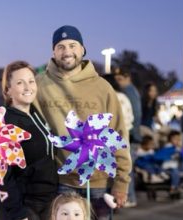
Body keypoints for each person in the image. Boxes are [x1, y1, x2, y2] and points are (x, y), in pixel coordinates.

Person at [34, 25, 131, 219]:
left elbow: (118, 134)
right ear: (53, 51)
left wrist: (122, 181)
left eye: (72, 45)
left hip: (98, 181)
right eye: (60, 46)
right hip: (59, 181)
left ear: (82, 49)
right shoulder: (39, 84)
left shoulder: (102, 87)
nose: (67, 51)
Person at [0, 61, 58, 220]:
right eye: (19, 83)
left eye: (31, 81)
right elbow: (2, 173)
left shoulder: (35, 113)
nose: (28, 87)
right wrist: (17, 212)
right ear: (8, 90)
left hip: (47, 200)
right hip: (26, 206)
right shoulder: (6, 121)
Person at [114, 69, 141, 207]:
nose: (118, 82)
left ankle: (129, 198)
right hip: (130, 135)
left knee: (125, 167)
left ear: (127, 77)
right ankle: (130, 197)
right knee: (126, 167)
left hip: (128, 136)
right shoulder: (129, 92)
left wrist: (131, 135)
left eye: (120, 78)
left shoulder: (127, 92)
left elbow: (134, 116)